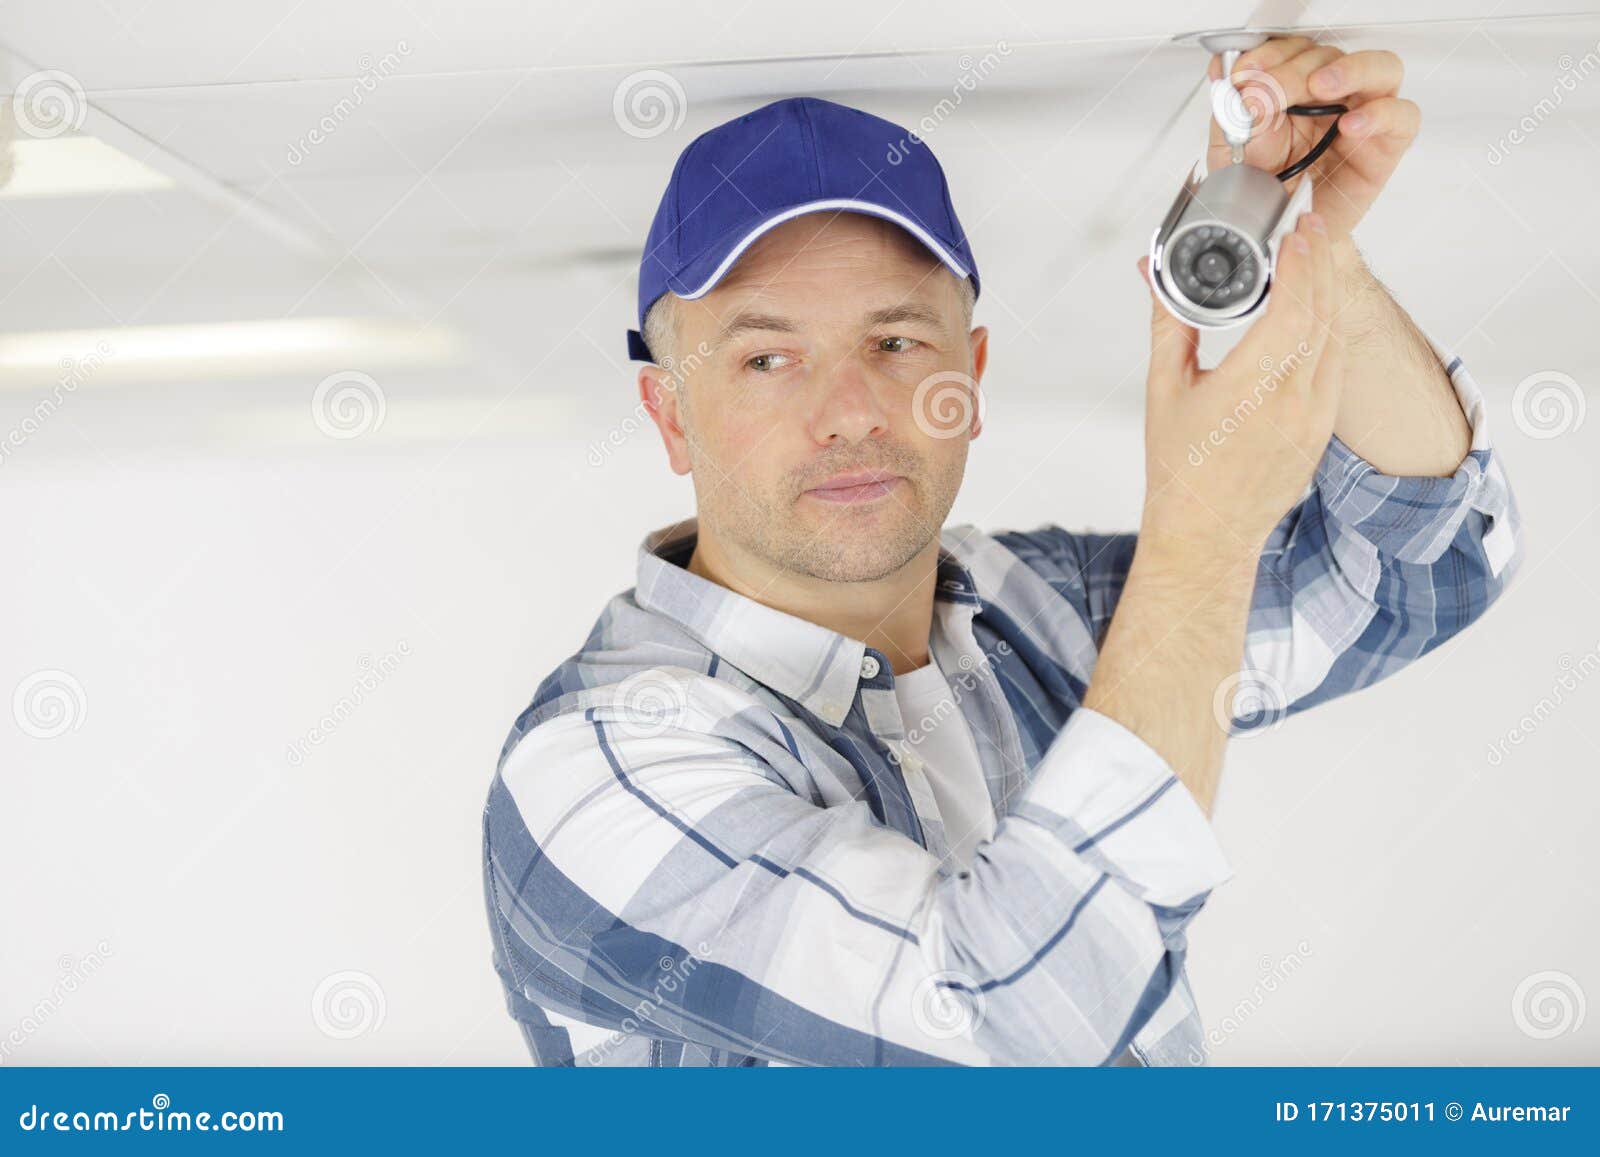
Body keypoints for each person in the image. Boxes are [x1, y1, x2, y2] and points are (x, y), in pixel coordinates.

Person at [482, 39, 1522, 1067]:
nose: (850, 411)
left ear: (970, 376)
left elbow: (1426, 569)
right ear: (670, 414)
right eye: (767, 359)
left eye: (895, 342)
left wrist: (1303, 246)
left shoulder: (1033, 608)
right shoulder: (597, 769)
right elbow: (1020, 1034)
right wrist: (1200, 531)